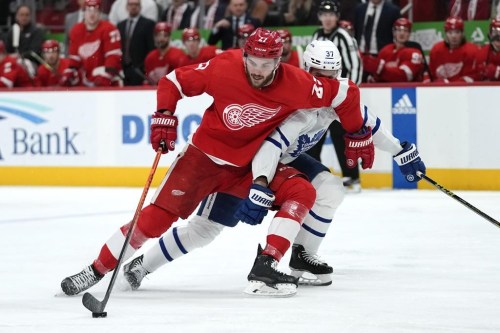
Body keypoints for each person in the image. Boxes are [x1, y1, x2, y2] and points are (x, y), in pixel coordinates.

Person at [60, 28, 370, 297]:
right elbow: (172, 82)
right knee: (154, 221)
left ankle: (269, 264)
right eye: (253, 62)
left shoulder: (298, 83)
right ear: (244, 56)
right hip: (201, 159)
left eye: (267, 64)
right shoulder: (224, 66)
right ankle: (95, 270)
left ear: (279, 61)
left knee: (296, 194)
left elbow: (346, 92)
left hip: (247, 168)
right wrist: (165, 115)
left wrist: (357, 131)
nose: (259, 70)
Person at [120, 40, 426, 293]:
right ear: (309, 70)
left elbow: (368, 124)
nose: (329, 81)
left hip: (286, 162)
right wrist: (261, 183)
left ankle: (300, 256)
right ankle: (143, 264)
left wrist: (402, 151)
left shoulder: (333, 96)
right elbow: (270, 147)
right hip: (251, 164)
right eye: (322, 73)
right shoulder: (298, 101)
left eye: (334, 73)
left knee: (330, 190)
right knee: (206, 229)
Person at [308, 0, 363, 192]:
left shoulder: (343, 36)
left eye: (331, 14)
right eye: (324, 14)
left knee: (342, 139)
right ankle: (314, 176)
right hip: (320, 100)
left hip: (339, 100)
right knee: (313, 138)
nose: (328, 18)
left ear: (337, 17)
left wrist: (347, 96)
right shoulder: (316, 35)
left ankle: (352, 178)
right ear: (319, 17)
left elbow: (356, 65)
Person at [66, 0, 123, 87]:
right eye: (89, 11)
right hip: (87, 80)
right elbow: (74, 59)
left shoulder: (110, 29)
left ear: (100, 13)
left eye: (95, 11)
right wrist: (70, 73)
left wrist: (106, 76)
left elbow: (113, 57)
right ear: (84, 12)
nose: (92, 14)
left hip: (109, 79)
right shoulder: (76, 30)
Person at [362, 18, 425, 82]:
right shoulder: (384, 50)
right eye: (398, 30)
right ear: (393, 32)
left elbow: (404, 76)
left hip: (408, 90)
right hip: (385, 90)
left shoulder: (415, 53)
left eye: (405, 30)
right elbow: (375, 78)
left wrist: (380, 69)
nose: (402, 33)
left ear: (409, 33)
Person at [428, 16, 479, 83]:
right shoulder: (436, 50)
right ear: (445, 33)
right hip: (440, 90)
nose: (453, 36)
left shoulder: (472, 51)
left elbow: (471, 77)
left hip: (464, 91)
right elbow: (430, 74)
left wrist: (451, 86)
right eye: (450, 32)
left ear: (462, 33)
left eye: (457, 32)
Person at [117, 0, 156, 86]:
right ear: (126, 7)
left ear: (140, 7)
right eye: (131, 4)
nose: (133, 7)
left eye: (136, 4)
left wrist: (145, 67)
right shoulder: (120, 25)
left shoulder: (148, 24)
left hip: (140, 70)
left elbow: (151, 48)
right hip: (123, 69)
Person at [3, 4, 46, 78]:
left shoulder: (36, 31)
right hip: (13, 62)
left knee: (24, 64)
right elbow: (6, 50)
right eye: (21, 15)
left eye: (26, 15)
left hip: (31, 63)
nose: (24, 17)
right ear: (17, 16)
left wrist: (19, 56)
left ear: (30, 16)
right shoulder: (12, 31)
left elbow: (34, 52)